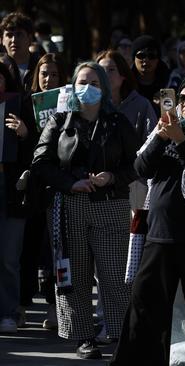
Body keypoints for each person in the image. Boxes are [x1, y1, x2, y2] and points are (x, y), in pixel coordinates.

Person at [110, 76, 185, 366]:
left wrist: (183, 143)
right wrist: (162, 138)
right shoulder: (163, 129)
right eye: (182, 98)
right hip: (160, 235)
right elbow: (141, 168)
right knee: (145, 309)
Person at [30, 61, 139, 358]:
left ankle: (119, 333)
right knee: (74, 275)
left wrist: (113, 176)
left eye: (93, 83)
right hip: (69, 206)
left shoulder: (118, 123)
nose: (86, 88)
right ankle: (83, 337)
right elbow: (40, 163)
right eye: (81, 82)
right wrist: (70, 183)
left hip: (110, 205)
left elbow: (138, 163)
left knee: (115, 275)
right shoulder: (60, 120)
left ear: (103, 88)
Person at [17, 52, 67, 332]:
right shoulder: (26, 104)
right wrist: (25, 134)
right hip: (33, 188)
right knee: (28, 249)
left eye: (55, 74)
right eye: (44, 73)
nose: (49, 79)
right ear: (36, 75)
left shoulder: (69, 105)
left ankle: (54, 305)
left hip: (59, 186)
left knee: (55, 251)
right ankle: (22, 305)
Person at [0, 61, 37, 334]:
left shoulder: (20, 108)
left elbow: (40, 151)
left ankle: (9, 312)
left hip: (12, 188)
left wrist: (25, 134)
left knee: (9, 257)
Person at [96, 50, 158, 211]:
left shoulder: (142, 105)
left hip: (133, 183)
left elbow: (152, 144)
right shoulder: (89, 106)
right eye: (100, 71)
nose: (105, 75)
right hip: (95, 183)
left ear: (123, 75)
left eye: (110, 70)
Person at [131, 35, 170, 116]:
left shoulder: (170, 83)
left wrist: (164, 106)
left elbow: (172, 117)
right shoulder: (125, 84)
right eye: (141, 55)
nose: (146, 60)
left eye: (151, 56)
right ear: (134, 59)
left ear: (158, 59)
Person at [0, 11, 40, 91]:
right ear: (1, 40)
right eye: (9, 35)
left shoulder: (41, 67)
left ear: (30, 38)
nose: (14, 40)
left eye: (19, 34)